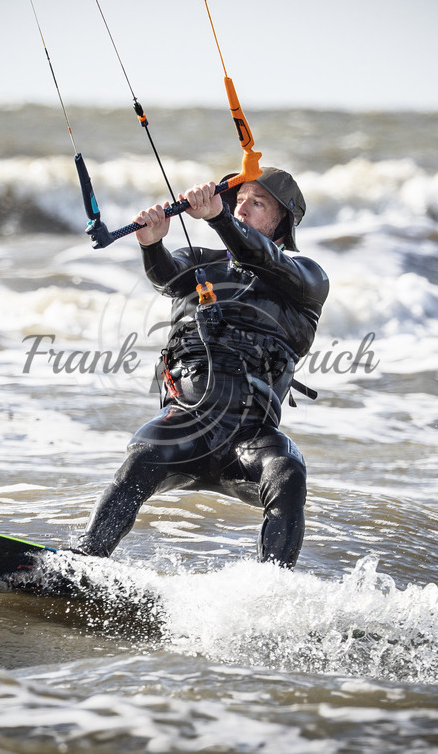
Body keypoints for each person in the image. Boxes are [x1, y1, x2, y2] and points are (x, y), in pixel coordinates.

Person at [76, 167, 329, 568]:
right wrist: (151, 244)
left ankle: (274, 586)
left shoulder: (307, 279)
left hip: (251, 436)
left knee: (288, 471)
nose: (242, 209)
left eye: (257, 203)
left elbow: (262, 257)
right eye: (238, 201)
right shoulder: (198, 264)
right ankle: (85, 560)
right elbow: (165, 277)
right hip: (186, 422)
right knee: (143, 454)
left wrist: (219, 218)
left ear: (283, 222)